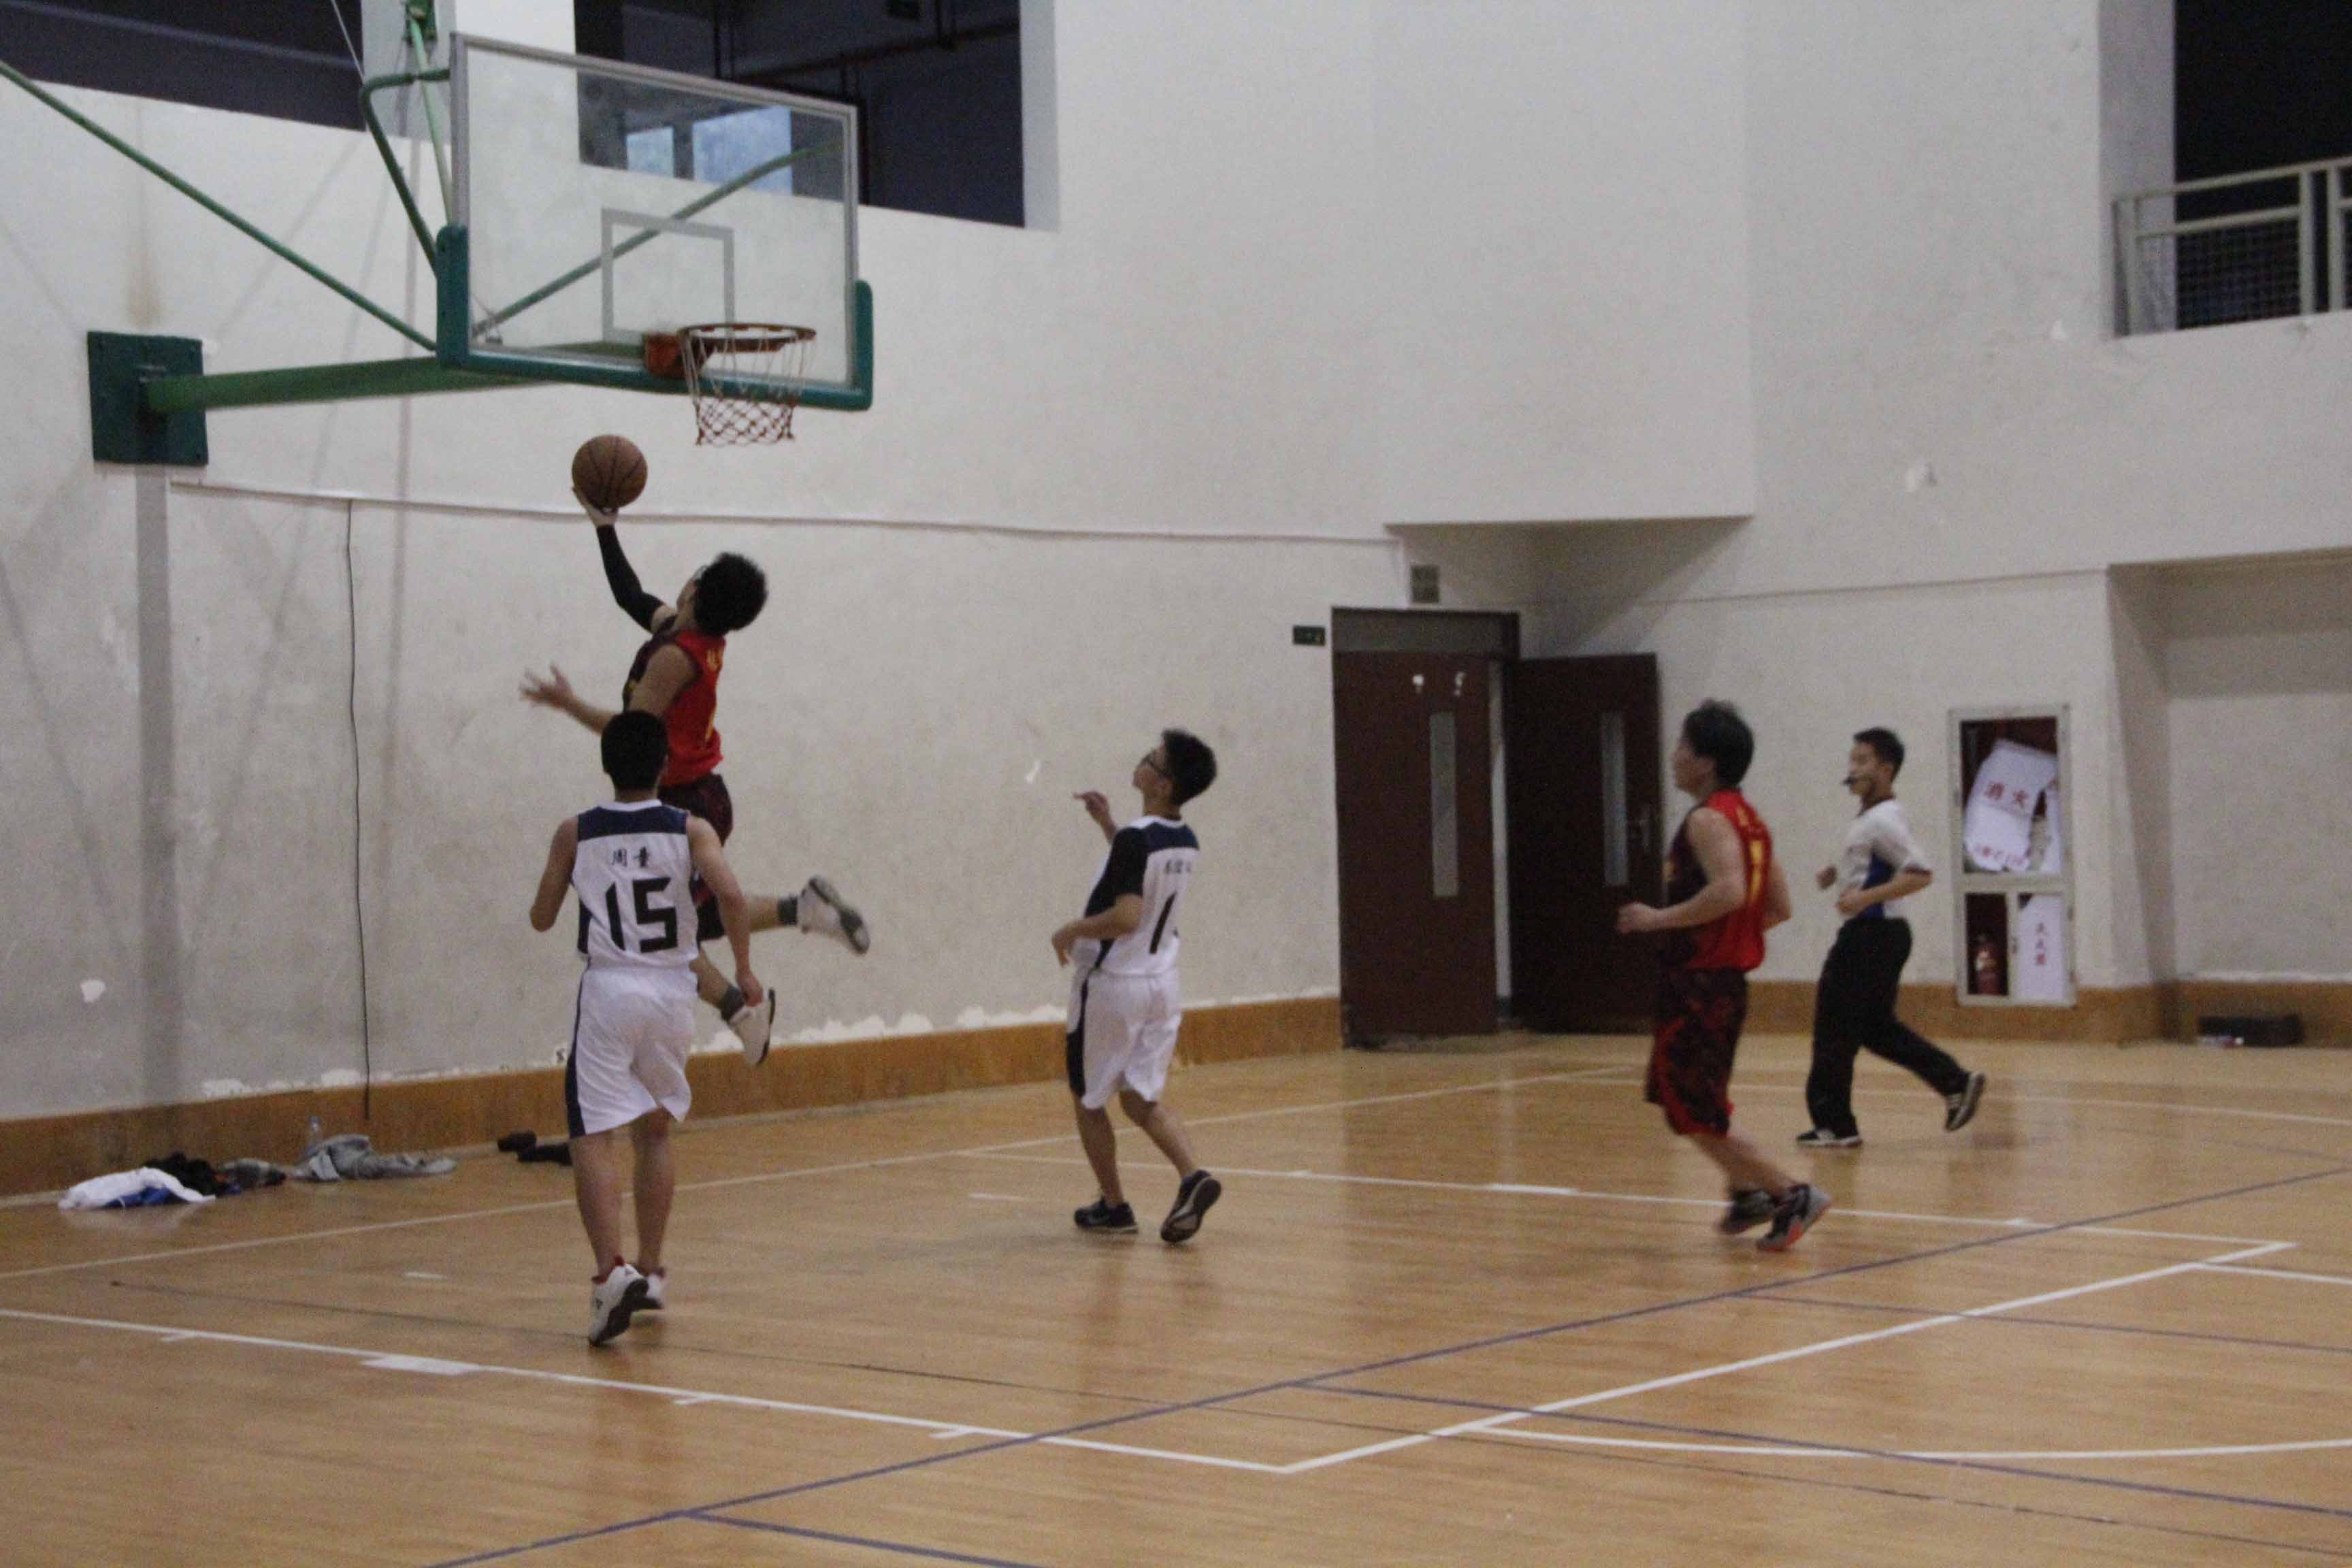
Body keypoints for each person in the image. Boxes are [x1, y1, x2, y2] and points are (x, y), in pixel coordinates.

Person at [521, 494, 868, 1066]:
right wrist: (605, 527)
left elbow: (632, 731)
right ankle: (802, 910)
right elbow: (630, 595)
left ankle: (742, 1011)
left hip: (686, 801)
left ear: (695, 591)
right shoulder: (685, 634)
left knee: (659, 933)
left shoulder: (675, 659)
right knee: (698, 920)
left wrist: (567, 703)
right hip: (699, 792)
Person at [528, 711, 761, 1345]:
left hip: (610, 990)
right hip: (671, 992)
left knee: (591, 1134)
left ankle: (611, 1274)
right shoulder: (691, 828)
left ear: (606, 765)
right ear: (664, 766)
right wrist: (743, 971)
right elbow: (732, 897)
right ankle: (650, 1271)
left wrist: (565, 884)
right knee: (654, 1131)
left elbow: (542, 918)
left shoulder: (576, 831)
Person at [1617, 701, 1828, 1252]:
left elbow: (1731, 891)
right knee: (1683, 1099)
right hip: (1724, 983)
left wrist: (1657, 919)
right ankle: (1745, 1191)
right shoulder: (1750, 821)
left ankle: (1790, 1193)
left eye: (1683, 746)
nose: (1674, 756)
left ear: (1706, 761)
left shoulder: (1707, 820)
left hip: (1699, 985)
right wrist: (1732, 938)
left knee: (1691, 1108)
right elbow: (1777, 907)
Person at [1052, 730, 1224, 1245]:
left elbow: (1127, 916)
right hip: (1162, 985)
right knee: (1141, 1099)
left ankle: (1114, 1207)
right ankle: (1193, 1176)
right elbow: (1139, 874)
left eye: (1152, 759)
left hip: (1114, 987)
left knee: (1089, 1100)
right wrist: (1109, 826)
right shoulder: (1182, 838)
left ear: (1163, 784)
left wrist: (1072, 929)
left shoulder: (1136, 840)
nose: (1142, 760)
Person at [1798, 728, 1985, 1147]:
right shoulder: (1872, 818)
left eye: (1863, 761)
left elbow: (1919, 873)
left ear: (1886, 769)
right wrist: (1837, 873)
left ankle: (1835, 1125)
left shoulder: (1883, 819)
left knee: (1833, 1026)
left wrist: (1862, 899)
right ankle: (1954, 1082)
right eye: (1852, 760)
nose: (1853, 769)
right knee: (1875, 1029)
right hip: (1881, 936)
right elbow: (1873, 864)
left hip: (1871, 935)